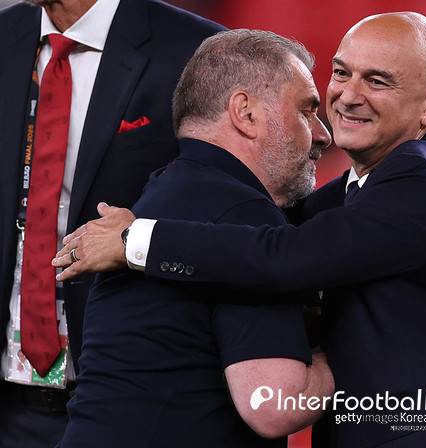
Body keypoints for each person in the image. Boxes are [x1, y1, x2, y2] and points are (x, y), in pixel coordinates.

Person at [56, 12, 426, 447]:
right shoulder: (361, 190)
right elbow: (265, 237)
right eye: (341, 73)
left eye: (377, 81)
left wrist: (135, 240)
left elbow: (284, 255)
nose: (347, 97)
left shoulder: (424, 180)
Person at [57, 30, 336, 448]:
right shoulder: (243, 213)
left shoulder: (161, 194)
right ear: (245, 113)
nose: (322, 134)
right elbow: (273, 404)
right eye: (306, 110)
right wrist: (359, 349)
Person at [0, 0, 225, 446]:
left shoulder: (199, 50)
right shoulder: (7, 35)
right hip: (10, 407)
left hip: (132, 404)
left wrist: (138, 237)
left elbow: (239, 208)